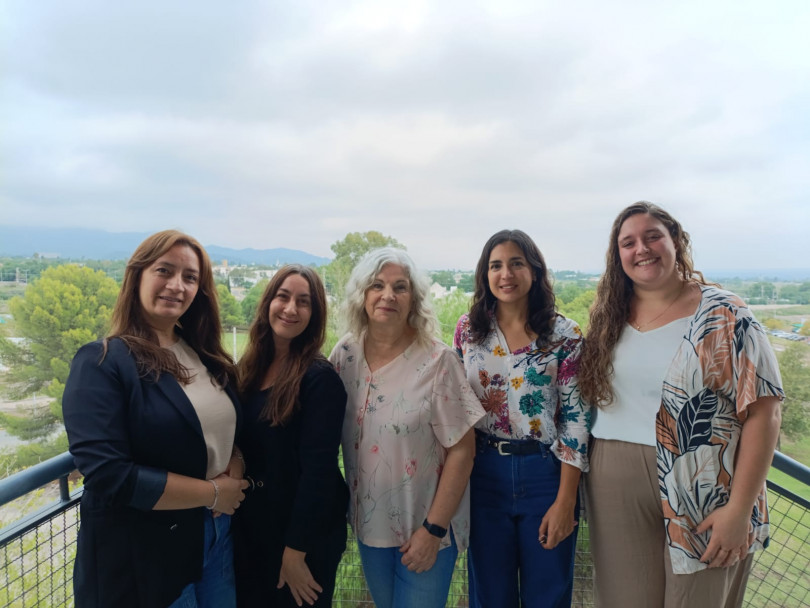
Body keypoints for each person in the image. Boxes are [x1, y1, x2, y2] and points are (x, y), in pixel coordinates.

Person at [579, 201, 784, 608]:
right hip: (613, 475)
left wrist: (740, 510)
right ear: (617, 255)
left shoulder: (725, 314)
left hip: (705, 483)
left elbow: (765, 412)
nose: (642, 248)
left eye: (653, 235)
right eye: (628, 242)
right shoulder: (608, 317)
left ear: (676, 241)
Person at [62, 230, 249, 608]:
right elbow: (109, 475)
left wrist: (235, 459)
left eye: (190, 277)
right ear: (138, 277)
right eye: (164, 270)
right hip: (145, 556)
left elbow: (214, 429)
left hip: (213, 535)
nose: (177, 285)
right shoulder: (101, 362)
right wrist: (214, 493)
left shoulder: (202, 353)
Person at [329, 247, 485, 608]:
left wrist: (433, 530)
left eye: (400, 287)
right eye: (377, 285)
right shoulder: (346, 355)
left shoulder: (438, 361)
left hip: (427, 532)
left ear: (413, 299)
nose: (388, 295)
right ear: (362, 295)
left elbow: (463, 450)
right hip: (369, 529)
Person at [454, 229, 591, 608]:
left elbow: (577, 420)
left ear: (534, 270)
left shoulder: (564, 335)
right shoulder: (469, 331)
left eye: (516, 263)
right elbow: (455, 405)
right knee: (489, 594)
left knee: (548, 592)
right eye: (495, 265)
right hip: (483, 474)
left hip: (545, 474)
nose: (506, 274)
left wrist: (566, 502)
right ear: (485, 275)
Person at [234, 265, 349, 607]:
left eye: (303, 302)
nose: (290, 308)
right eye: (282, 297)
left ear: (314, 315)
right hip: (254, 528)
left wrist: (296, 551)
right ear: (268, 301)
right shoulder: (250, 369)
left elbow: (320, 473)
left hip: (302, 536)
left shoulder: (319, 380)